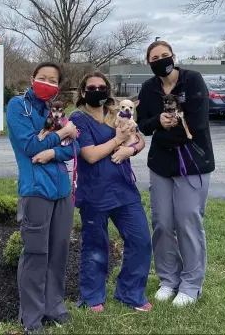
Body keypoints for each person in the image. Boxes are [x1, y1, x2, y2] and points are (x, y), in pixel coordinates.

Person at [136, 41, 215, 307]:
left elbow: (199, 121)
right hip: (161, 165)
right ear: (149, 62)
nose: (160, 60)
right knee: (162, 223)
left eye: (164, 55)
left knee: (187, 223)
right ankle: (168, 279)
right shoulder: (148, 88)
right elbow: (143, 124)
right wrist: (158, 122)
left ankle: (192, 284)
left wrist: (169, 131)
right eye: (154, 57)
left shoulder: (192, 80)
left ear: (173, 57)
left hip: (192, 162)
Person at [6, 62, 80, 334]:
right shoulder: (18, 106)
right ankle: (32, 317)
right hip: (36, 191)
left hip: (62, 191)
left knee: (59, 252)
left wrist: (52, 153)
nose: (47, 82)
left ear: (58, 85)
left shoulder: (56, 107)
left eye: (53, 79)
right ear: (32, 78)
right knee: (36, 254)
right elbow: (29, 146)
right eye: (42, 77)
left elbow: (75, 147)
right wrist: (62, 134)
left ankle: (54, 308)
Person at [69, 71, 152, 313]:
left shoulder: (116, 111)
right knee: (96, 245)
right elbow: (90, 155)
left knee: (141, 241)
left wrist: (131, 150)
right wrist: (118, 141)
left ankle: (130, 292)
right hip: (95, 192)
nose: (98, 91)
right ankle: (92, 296)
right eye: (92, 87)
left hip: (125, 189)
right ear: (83, 92)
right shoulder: (78, 119)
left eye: (102, 87)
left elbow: (139, 139)